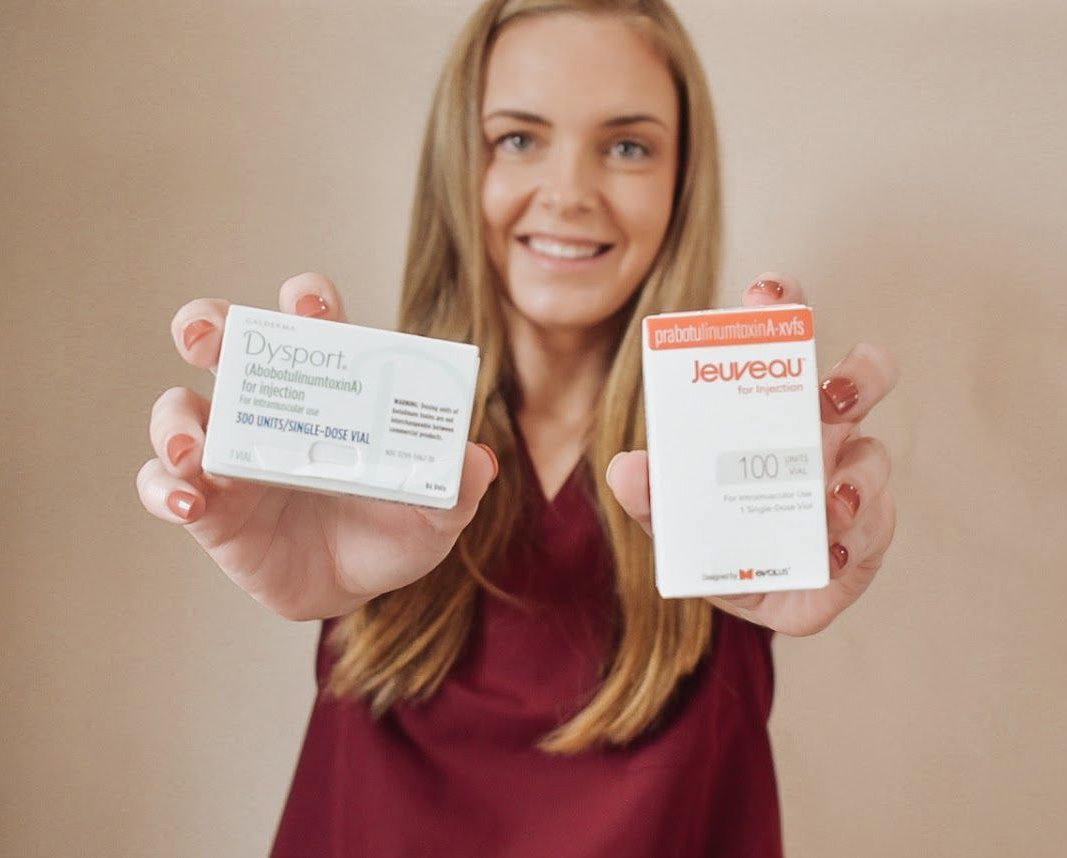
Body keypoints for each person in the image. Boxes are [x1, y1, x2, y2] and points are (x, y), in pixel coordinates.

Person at [136, 0, 898, 854]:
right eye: (518, 138)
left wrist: (791, 543)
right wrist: (324, 581)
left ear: (684, 179)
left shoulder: (727, 472)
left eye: (626, 145)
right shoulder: (367, 456)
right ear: (458, 167)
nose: (569, 193)